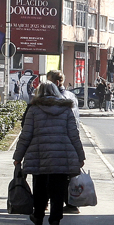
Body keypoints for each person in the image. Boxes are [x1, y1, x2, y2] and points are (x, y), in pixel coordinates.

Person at [13, 82, 85, 225]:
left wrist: (18, 156)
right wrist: (80, 155)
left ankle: (38, 215)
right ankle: (55, 220)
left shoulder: (34, 109)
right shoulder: (66, 109)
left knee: (39, 186)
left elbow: (25, 135)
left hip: (39, 154)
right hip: (61, 154)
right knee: (58, 189)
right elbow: (74, 134)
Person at [46, 69, 81, 214]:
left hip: (56, 140)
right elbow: (76, 121)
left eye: (48, 81)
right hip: (71, 140)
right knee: (69, 173)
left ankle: (50, 203)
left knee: (52, 174)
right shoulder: (71, 96)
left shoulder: (54, 98)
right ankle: (71, 203)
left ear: (55, 82)